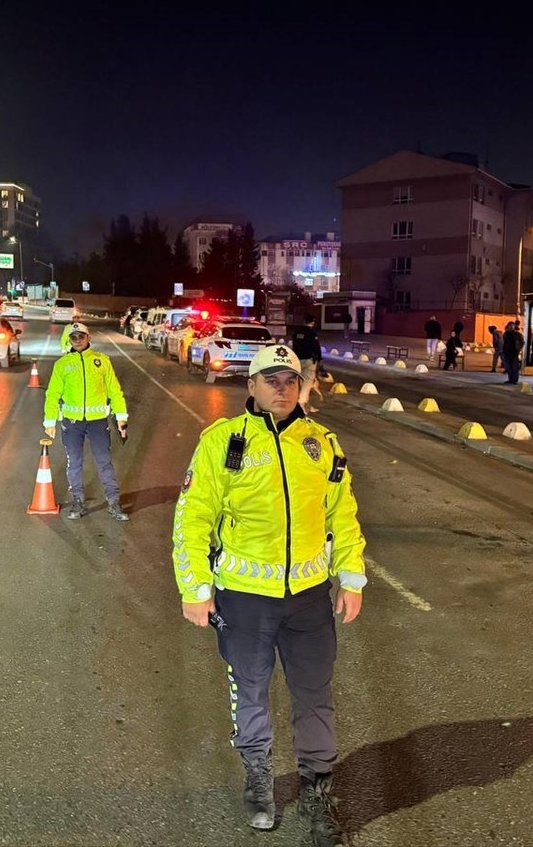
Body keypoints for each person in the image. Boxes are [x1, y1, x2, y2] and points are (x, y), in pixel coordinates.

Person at [173, 344, 367, 847]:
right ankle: (258, 775)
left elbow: (341, 513)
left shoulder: (321, 443)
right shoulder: (223, 441)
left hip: (308, 597)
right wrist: (195, 588)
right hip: (244, 598)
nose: (282, 389)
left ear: (302, 387)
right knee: (251, 690)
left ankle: (317, 791)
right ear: (252, 386)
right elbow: (193, 517)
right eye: (271, 380)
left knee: (315, 694)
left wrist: (351, 577)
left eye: (290, 380)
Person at [43, 322, 130, 521]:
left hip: (97, 422)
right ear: (69, 340)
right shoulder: (62, 364)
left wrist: (121, 418)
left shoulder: (102, 361)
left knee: (104, 462)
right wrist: (49, 421)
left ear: (88, 337)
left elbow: (114, 391)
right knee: (74, 462)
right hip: (72, 423)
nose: (78, 340)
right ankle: (78, 501)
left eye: (81, 336)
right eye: (73, 337)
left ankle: (114, 503)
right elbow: (53, 394)